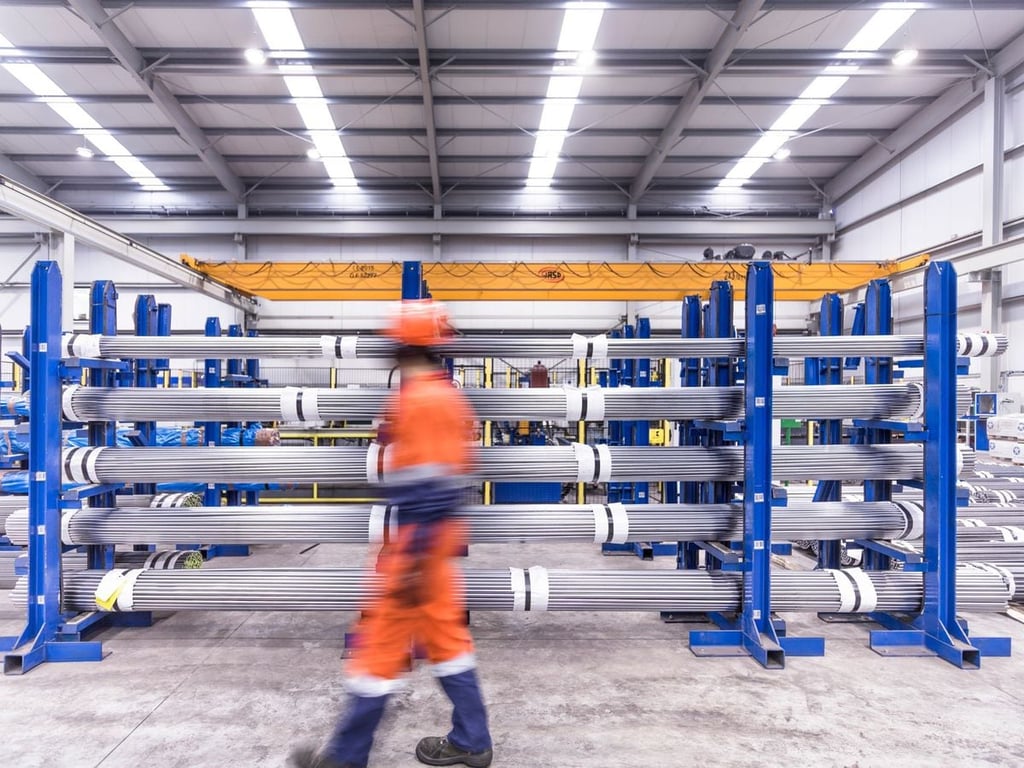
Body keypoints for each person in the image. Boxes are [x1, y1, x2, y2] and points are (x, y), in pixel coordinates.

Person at [291, 300, 493, 768]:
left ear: (403, 346)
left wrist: (412, 564)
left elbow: (430, 484)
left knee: (378, 651)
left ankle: (345, 758)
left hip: (417, 544)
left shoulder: (419, 400)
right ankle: (472, 739)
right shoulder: (446, 397)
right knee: (448, 644)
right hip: (436, 543)